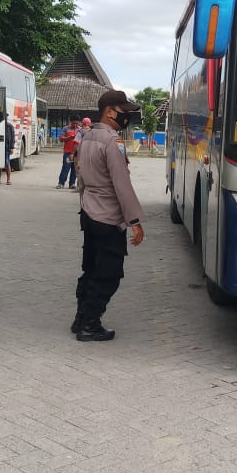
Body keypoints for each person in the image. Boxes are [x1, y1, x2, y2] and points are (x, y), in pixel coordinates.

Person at [72, 90, 145, 341]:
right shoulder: (113, 142)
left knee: (91, 268)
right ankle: (90, 324)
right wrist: (134, 221)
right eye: (124, 111)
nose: (127, 116)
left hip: (89, 211)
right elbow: (121, 183)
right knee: (109, 273)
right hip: (108, 217)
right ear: (110, 111)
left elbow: (80, 176)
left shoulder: (88, 136)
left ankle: (80, 317)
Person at [56, 114, 80, 189]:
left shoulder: (80, 130)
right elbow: (61, 139)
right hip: (68, 152)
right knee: (66, 168)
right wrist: (69, 138)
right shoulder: (66, 129)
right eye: (74, 123)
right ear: (71, 122)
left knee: (74, 169)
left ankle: (72, 184)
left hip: (77, 153)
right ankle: (61, 183)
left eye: (77, 123)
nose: (75, 125)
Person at [3, 116, 14, 185]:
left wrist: (12, 147)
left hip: (7, 146)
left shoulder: (9, 126)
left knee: (7, 163)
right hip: (0, 145)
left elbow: (12, 137)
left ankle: (8, 179)